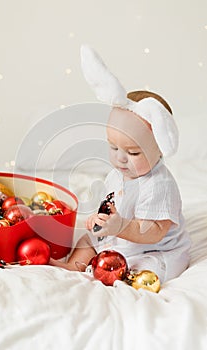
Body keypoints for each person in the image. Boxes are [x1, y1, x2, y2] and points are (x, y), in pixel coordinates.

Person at [49, 46, 191, 284]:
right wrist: (99, 219)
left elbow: (154, 230)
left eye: (133, 152)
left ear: (160, 149)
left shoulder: (160, 185)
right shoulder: (118, 174)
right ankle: (73, 268)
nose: (121, 158)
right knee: (87, 240)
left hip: (154, 249)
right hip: (119, 235)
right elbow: (111, 204)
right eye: (113, 147)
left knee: (146, 268)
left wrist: (121, 226)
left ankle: (119, 275)